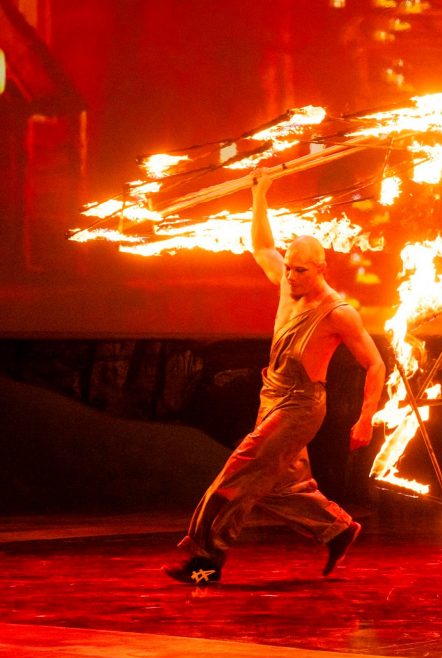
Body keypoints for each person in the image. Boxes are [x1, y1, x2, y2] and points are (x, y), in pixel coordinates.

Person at [163, 169, 386, 585]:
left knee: (240, 472)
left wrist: (365, 418)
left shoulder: (338, 312)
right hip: (273, 397)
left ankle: (205, 561)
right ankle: (337, 530)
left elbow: (375, 364)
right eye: (289, 269)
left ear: (321, 268)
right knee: (283, 484)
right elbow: (262, 245)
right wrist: (260, 192)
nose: (290, 276)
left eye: (300, 271)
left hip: (301, 408)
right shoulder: (287, 286)